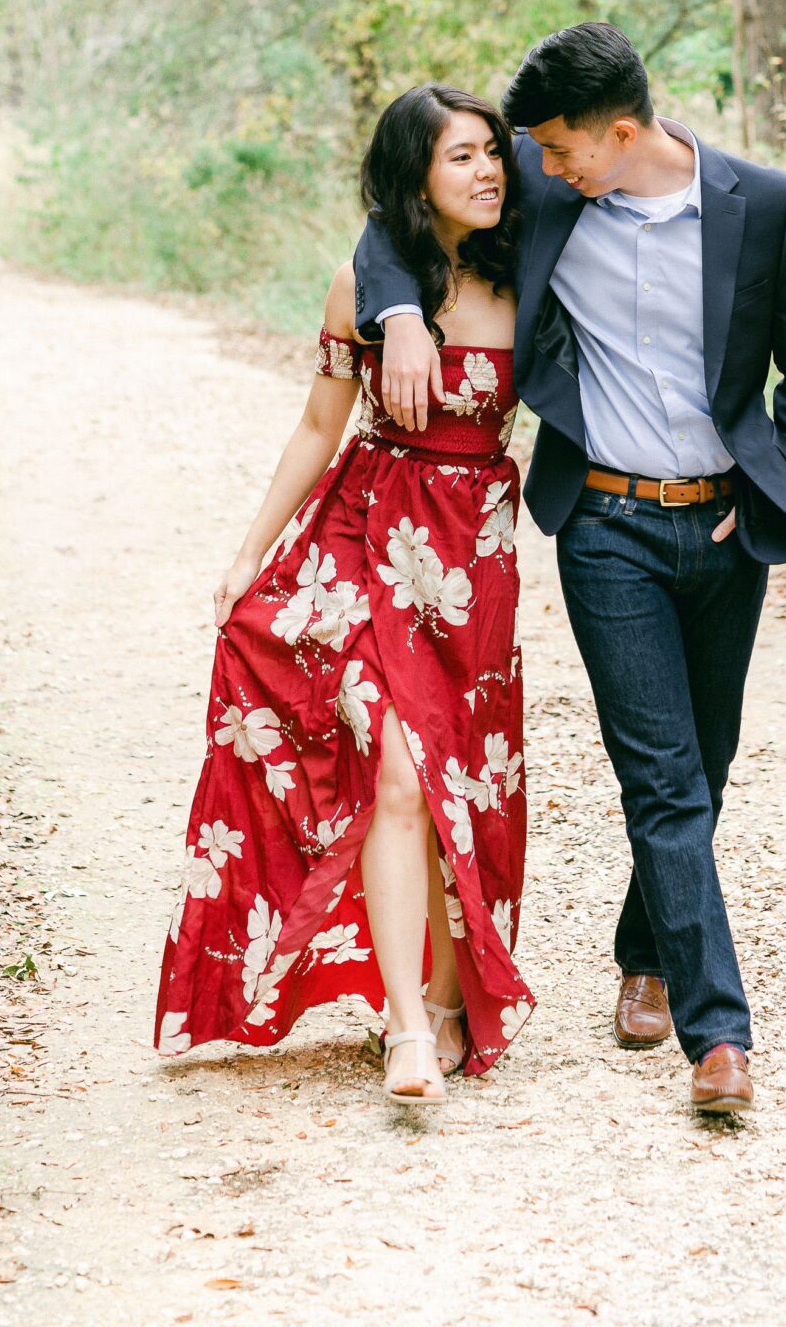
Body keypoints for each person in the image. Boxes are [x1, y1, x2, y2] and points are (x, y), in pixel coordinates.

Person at [354, 22, 786, 1116]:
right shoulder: (544, 178)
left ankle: (646, 948)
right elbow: (399, 208)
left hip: (723, 525)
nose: (535, 167)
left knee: (702, 766)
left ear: (619, 134)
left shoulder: (762, 203)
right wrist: (393, 311)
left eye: (560, 151)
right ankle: (718, 1042)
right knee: (662, 776)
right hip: (607, 524)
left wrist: (782, 480)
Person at [155, 85, 532, 1105]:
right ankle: (407, 1024)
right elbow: (318, 428)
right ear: (414, 173)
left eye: (492, 152)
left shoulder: (523, 272)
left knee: (468, 786)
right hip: (369, 538)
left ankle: (451, 1004)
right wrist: (248, 553)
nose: (486, 170)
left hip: (474, 561)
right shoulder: (360, 284)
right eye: (459, 157)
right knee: (401, 778)